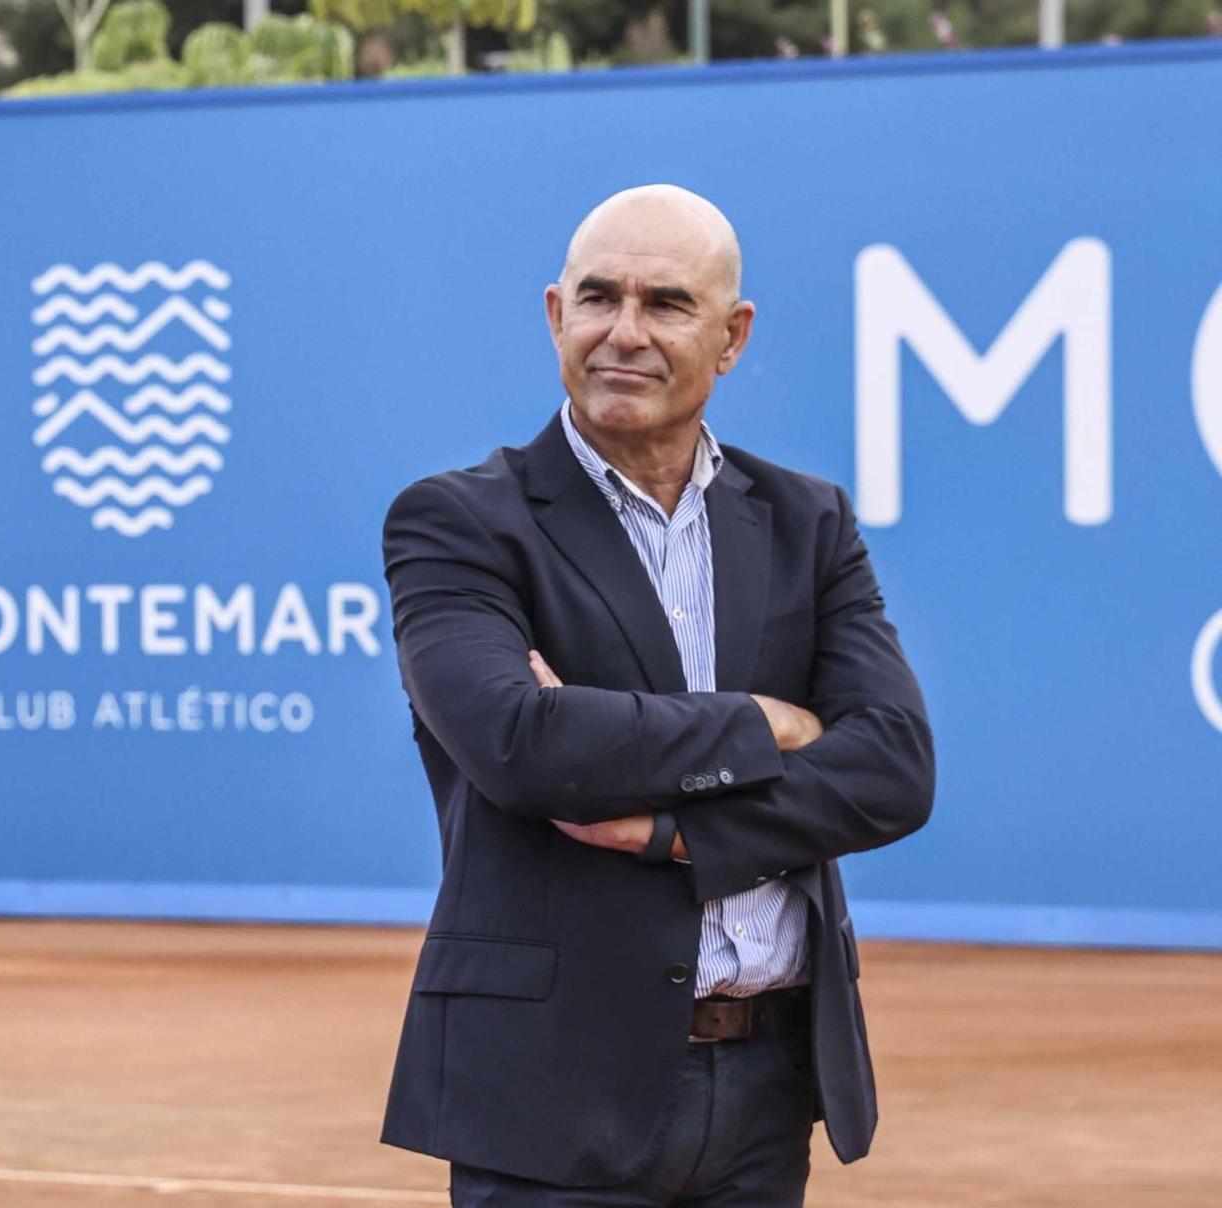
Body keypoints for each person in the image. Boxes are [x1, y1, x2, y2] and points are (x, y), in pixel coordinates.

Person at [378, 185, 935, 1206]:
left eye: (665, 304)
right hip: (550, 1091)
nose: (621, 333)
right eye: (596, 299)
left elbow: (893, 768)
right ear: (555, 314)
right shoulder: (457, 521)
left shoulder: (806, 521)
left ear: (731, 336)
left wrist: (671, 834)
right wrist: (762, 721)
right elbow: (520, 744)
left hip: (766, 1087)